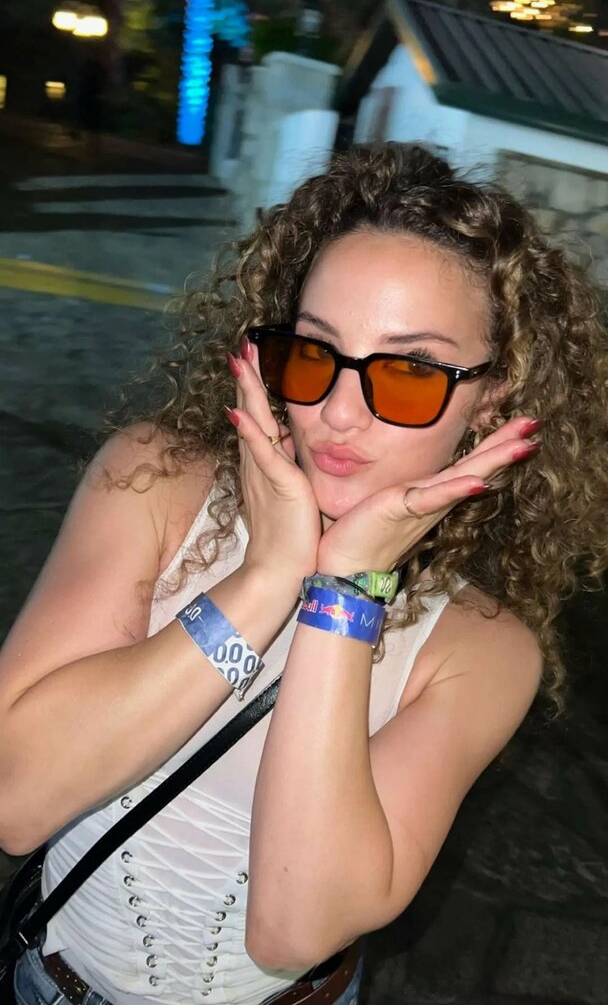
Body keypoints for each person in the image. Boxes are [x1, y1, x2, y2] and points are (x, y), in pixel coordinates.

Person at [1, 142, 607, 1005]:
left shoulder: (480, 649)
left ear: (492, 398)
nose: (337, 411)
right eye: (316, 352)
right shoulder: (155, 482)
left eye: (410, 371)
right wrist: (263, 578)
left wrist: (345, 590)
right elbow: (15, 799)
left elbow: (295, 929)